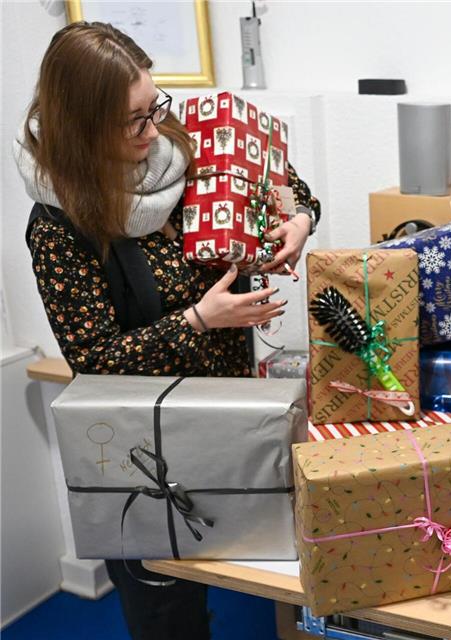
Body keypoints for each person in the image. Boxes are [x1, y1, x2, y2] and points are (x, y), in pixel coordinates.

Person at [16, 22, 321, 640]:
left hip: (230, 411)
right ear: (83, 128)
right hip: (146, 451)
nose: (155, 130)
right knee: (167, 615)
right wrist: (202, 319)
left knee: (257, 573)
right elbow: (94, 358)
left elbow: (279, 181)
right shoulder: (57, 223)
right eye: (134, 121)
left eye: (155, 105)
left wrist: (299, 218)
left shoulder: (182, 144)